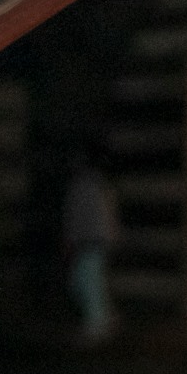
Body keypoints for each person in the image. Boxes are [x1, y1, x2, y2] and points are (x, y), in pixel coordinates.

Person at [61, 145, 119, 346]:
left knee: (90, 282)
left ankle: (98, 324)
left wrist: (72, 239)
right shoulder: (97, 184)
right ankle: (103, 319)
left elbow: (79, 217)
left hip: (90, 240)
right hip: (94, 240)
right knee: (86, 281)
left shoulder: (85, 185)